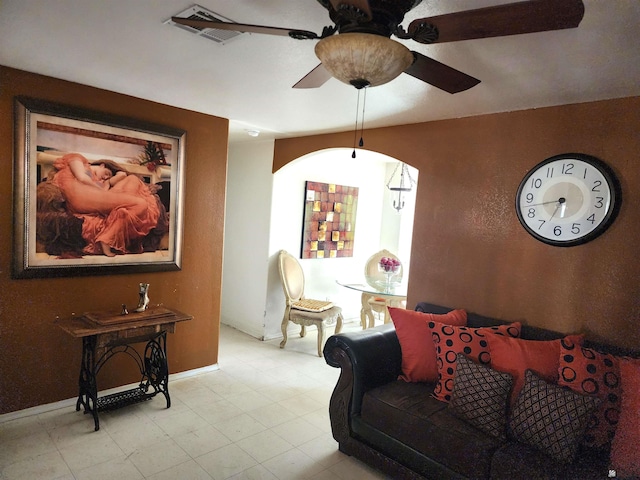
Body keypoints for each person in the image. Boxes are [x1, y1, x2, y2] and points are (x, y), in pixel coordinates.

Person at [51, 152, 161, 257]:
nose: (105, 178)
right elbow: (81, 177)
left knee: (132, 179)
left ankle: (118, 218)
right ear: (102, 165)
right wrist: (102, 187)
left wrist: (112, 180)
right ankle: (107, 238)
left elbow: (106, 192)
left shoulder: (95, 179)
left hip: (88, 196)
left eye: (107, 177)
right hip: (80, 195)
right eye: (107, 173)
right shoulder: (77, 158)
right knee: (140, 204)